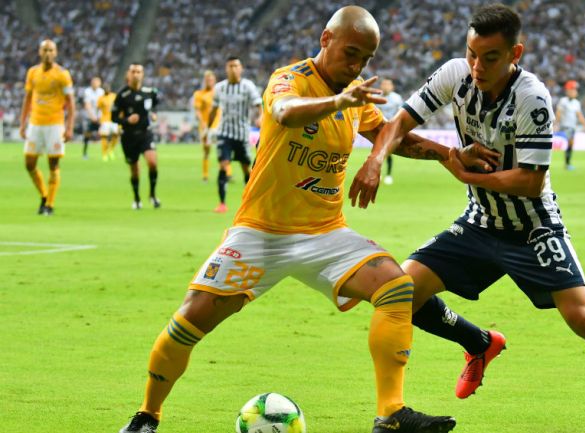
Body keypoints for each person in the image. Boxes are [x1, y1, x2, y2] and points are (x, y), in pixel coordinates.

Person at [118, 6, 460, 433]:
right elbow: (285, 112)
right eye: (351, 53)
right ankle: (147, 416)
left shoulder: (354, 94)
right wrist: (338, 101)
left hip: (325, 233)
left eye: (365, 60)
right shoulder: (290, 78)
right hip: (261, 231)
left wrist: (449, 154)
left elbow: (394, 136)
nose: (356, 66)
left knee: (395, 286)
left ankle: (390, 414)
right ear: (325, 39)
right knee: (190, 318)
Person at [348, 5, 585, 433]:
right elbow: (399, 122)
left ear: (515, 52)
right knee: (400, 292)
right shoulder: (454, 75)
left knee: (584, 320)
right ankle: (478, 344)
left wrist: (463, 170)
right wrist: (375, 159)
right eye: (471, 54)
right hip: (479, 221)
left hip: (533, 228)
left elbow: (530, 183)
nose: (477, 66)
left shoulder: (532, 98)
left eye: (490, 57)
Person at [19, 39, 76, 216]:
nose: (48, 53)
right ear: (39, 52)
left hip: (54, 124)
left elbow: (71, 103)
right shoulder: (32, 73)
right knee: (29, 164)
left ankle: (49, 204)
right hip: (35, 123)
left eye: (51, 50)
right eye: (45, 50)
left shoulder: (62, 74)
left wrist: (69, 126)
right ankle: (43, 195)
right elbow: (27, 98)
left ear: (56, 53)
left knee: (53, 164)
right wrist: (23, 123)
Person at [208, 57, 261, 213]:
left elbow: (259, 105)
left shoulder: (248, 86)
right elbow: (214, 109)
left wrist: (260, 117)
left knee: (246, 169)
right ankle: (222, 203)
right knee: (224, 164)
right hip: (224, 133)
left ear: (241, 68)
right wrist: (208, 129)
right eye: (230, 66)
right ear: (226, 68)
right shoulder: (220, 88)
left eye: (236, 66)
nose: (233, 69)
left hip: (242, 134)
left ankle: (250, 203)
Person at [112, 63, 161, 210]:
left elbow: (155, 104)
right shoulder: (122, 95)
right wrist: (126, 120)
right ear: (128, 74)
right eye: (133, 71)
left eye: (139, 71)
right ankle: (137, 198)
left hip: (145, 133)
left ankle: (152, 195)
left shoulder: (149, 92)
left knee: (152, 162)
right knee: (134, 169)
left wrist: (153, 114)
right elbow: (113, 117)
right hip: (129, 137)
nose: (136, 74)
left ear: (143, 74)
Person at [192, 70, 221, 181]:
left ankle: (226, 173)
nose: (210, 82)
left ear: (214, 81)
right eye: (207, 80)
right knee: (206, 149)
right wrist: (202, 122)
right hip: (205, 125)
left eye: (211, 80)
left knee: (222, 148)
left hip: (218, 124)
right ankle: (205, 175)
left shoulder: (218, 92)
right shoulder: (199, 94)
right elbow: (198, 110)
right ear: (205, 81)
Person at [555, 80, 585, 170]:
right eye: (573, 90)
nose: (575, 92)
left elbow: (579, 115)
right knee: (570, 143)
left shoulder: (576, 103)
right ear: (568, 91)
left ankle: (567, 163)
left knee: (571, 144)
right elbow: (558, 113)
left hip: (572, 126)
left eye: (575, 90)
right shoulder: (563, 101)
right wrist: (556, 124)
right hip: (565, 126)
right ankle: (567, 163)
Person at [376, 78, 403, 185]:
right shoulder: (375, 97)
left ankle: (387, 174)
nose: (386, 86)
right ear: (381, 86)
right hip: (377, 127)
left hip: (391, 128)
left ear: (392, 87)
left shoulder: (397, 98)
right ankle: (378, 173)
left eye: (388, 84)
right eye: (384, 84)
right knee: (378, 150)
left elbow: (401, 113)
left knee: (387, 151)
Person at [82, 76, 104, 159]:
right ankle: (85, 153)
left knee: (104, 134)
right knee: (87, 135)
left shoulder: (101, 92)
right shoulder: (87, 91)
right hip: (89, 117)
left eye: (97, 82)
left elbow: (103, 105)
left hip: (99, 117)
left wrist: (100, 117)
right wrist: (92, 117)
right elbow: (87, 105)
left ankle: (105, 153)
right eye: (94, 82)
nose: (95, 84)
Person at [97, 83, 119, 161]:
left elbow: (119, 107)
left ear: (110, 89)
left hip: (114, 119)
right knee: (104, 137)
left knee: (116, 135)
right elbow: (98, 109)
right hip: (105, 120)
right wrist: (98, 119)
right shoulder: (101, 98)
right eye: (105, 88)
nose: (106, 90)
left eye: (107, 88)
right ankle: (104, 154)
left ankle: (111, 150)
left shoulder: (114, 96)